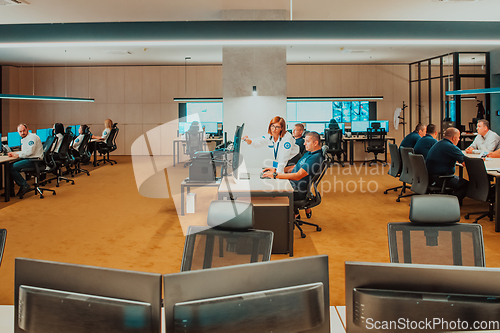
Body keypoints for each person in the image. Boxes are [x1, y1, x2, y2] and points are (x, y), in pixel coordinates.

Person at [262, 131, 324, 217]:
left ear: (315, 143)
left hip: (297, 190)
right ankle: (293, 215)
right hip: (292, 185)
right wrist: (276, 170)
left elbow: (298, 176)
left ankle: (285, 220)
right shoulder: (309, 153)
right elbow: (295, 167)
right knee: (268, 185)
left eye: (307, 141)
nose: (304, 144)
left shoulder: (315, 158)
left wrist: (276, 175)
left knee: (268, 192)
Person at [426, 127, 468, 203]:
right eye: (458, 138)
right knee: (465, 184)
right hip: (442, 178)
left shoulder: (439, 143)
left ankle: (450, 198)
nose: (459, 140)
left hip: (432, 177)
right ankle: (452, 204)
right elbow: (465, 163)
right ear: (454, 138)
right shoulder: (451, 147)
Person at [7, 124, 43, 198]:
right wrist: (15, 153)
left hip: (34, 161)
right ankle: (10, 192)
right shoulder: (25, 138)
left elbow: (30, 152)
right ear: (18, 132)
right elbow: (25, 151)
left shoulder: (31, 137)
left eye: (24, 130)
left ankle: (24, 185)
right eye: (20, 131)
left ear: (27, 129)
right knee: (9, 166)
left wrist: (17, 155)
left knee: (11, 167)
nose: (22, 133)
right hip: (30, 159)